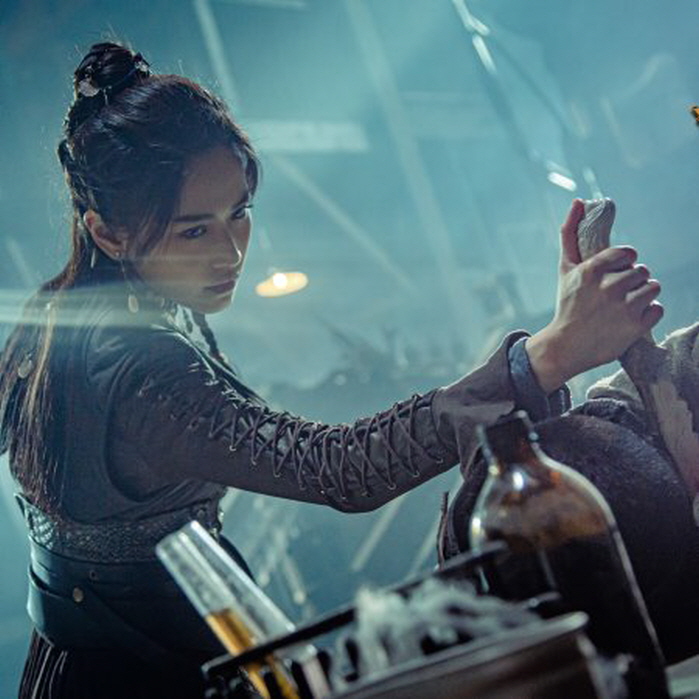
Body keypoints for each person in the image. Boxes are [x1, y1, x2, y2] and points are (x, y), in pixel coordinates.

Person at [0, 42, 663, 699]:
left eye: (239, 214)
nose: (230, 252)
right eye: (193, 231)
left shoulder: (58, 314)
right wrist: (550, 353)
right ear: (107, 232)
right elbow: (336, 467)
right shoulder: (139, 368)